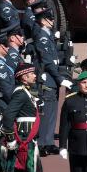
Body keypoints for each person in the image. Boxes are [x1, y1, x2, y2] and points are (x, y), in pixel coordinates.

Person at [0, 63, 41, 172]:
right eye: (32, 73)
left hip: (26, 137)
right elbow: (9, 116)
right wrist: (11, 139)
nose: (35, 76)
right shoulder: (21, 93)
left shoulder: (26, 92)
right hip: (21, 139)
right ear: (24, 77)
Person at [33, 8, 73, 156]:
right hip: (48, 78)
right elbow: (48, 61)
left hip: (52, 78)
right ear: (43, 21)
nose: (53, 21)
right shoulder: (42, 37)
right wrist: (60, 79)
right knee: (47, 112)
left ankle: (48, 142)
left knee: (52, 112)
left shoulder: (48, 35)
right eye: (50, 19)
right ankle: (43, 143)